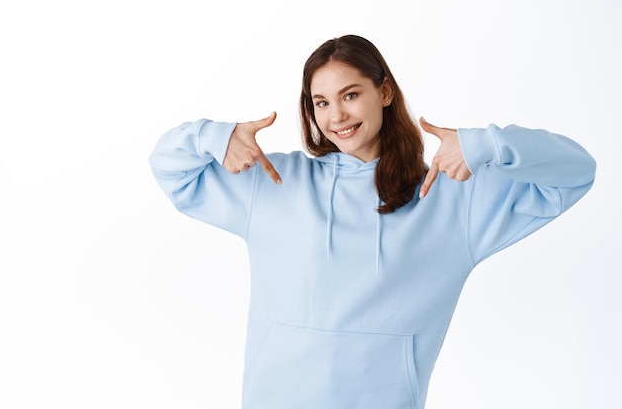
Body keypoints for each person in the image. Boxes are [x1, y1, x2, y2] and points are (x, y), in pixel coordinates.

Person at [149, 35, 596, 409]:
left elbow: (576, 173)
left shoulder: (452, 197)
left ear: (384, 92)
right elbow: (170, 169)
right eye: (320, 102)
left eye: (350, 95)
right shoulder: (273, 181)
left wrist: (490, 146)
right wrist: (213, 136)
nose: (336, 116)